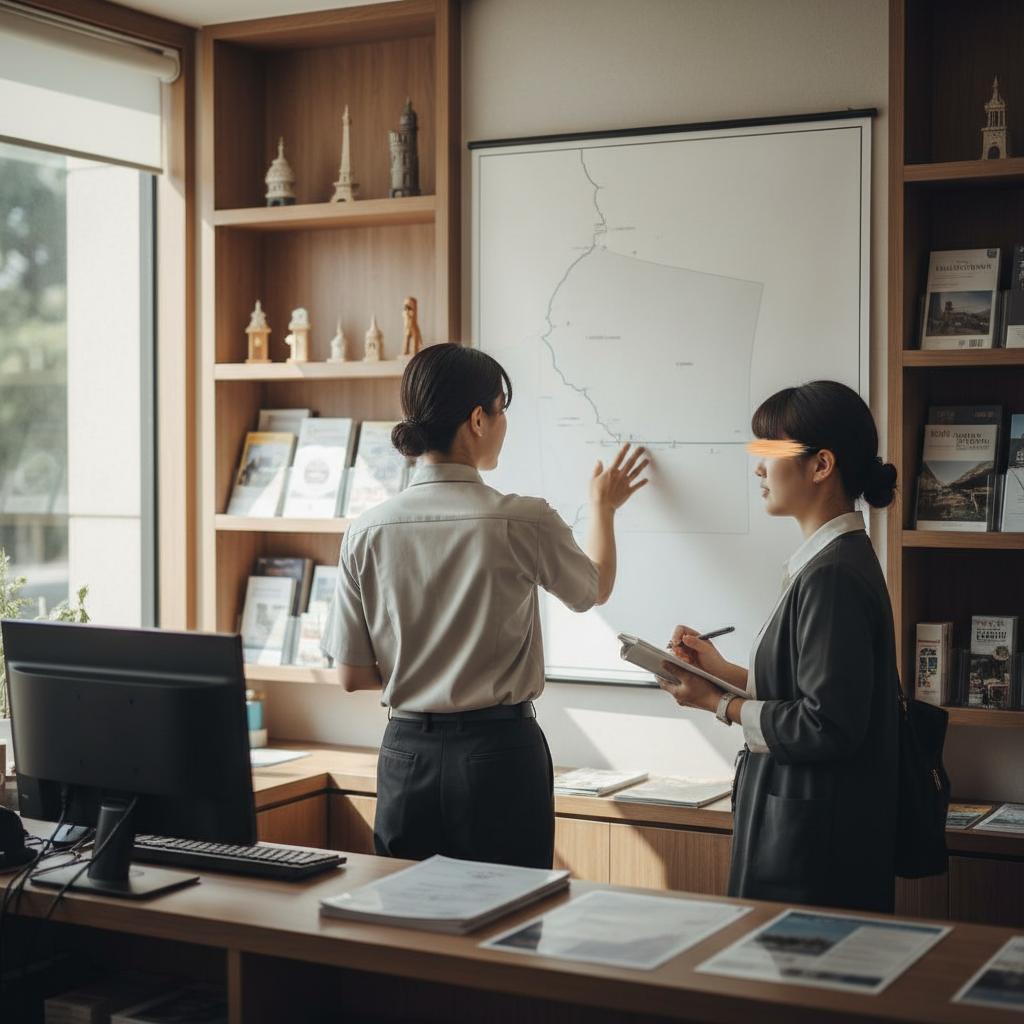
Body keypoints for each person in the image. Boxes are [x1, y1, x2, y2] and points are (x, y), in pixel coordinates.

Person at [322, 343, 649, 868]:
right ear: (478, 419)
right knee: (512, 910)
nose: (504, 424)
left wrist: (425, 667)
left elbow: (351, 675)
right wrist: (603, 508)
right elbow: (593, 590)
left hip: (406, 752)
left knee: (407, 909)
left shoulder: (366, 530)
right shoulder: (523, 520)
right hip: (499, 753)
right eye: (502, 410)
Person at [658, 380, 900, 913]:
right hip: (808, 822)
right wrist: (723, 673)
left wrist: (718, 703)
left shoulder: (833, 575)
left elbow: (826, 724)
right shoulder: (829, 561)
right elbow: (811, 689)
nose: (759, 469)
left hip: (816, 838)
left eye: (770, 450)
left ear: (821, 465)